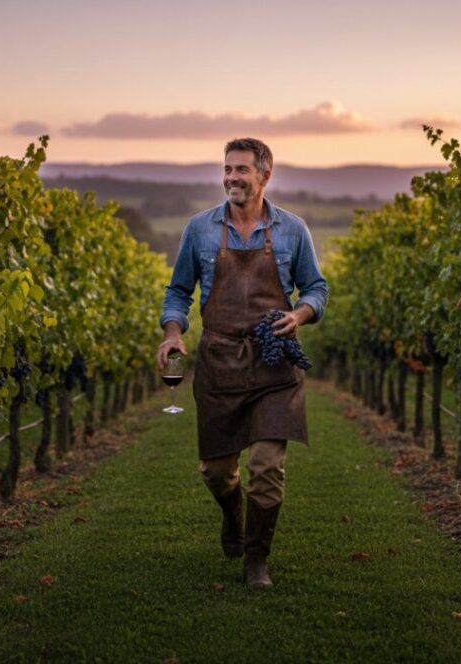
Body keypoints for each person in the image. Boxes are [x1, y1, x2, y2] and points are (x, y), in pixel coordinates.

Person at [156, 137, 328, 587]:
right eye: (227, 169)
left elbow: (316, 289)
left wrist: (300, 313)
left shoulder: (293, 230)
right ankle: (233, 512)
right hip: (219, 361)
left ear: (265, 175)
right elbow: (178, 292)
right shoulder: (199, 229)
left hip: (274, 363)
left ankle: (257, 560)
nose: (231, 177)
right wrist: (174, 332)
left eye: (241, 170)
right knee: (216, 471)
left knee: (267, 467)